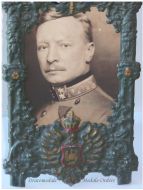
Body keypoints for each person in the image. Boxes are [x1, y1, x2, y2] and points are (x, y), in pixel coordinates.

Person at [35, 8, 114, 127]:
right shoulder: (37, 114)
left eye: (64, 45)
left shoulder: (108, 115)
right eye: (43, 47)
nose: (50, 58)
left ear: (89, 51)